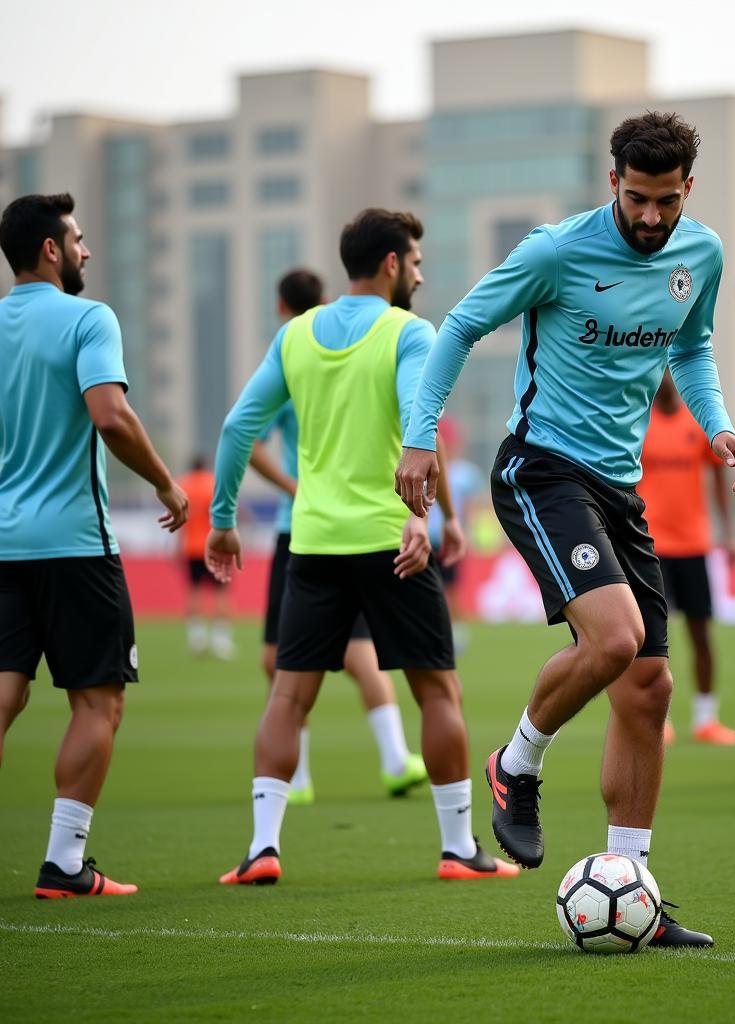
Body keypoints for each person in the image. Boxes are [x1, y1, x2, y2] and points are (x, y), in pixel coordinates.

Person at [397, 112, 735, 948]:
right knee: (617, 640)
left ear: (687, 189)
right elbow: (458, 327)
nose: (652, 217)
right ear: (611, 182)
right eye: (637, 199)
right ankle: (515, 763)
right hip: (542, 470)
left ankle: (633, 887)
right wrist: (421, 434)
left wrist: (719, 427)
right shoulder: (555, 251)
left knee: (650, 691)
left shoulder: (700, 254)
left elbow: (691, 352)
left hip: (618, 492)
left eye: (667, 201)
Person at [207, 208, 517, 883]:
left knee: (288, 698)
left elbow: (236, 427)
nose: (421, 273)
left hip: (312, 544)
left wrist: (223, 519)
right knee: (439, 691)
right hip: (388, 541)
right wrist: (422, 514)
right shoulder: (409, 331)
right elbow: (420, 420)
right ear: (390, 264)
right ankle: (459, 849)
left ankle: (263, 847)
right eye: (416, 260)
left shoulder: (294, 334)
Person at [0, 193, 188, 898]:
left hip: (3, 544)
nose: (85, 251)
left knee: (4, 697)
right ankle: (65, 863)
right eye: (76, 240)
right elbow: (110, 416)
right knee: (97, 704)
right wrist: (168, 485)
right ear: (50, 248)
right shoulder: (88, 317)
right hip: (74, 542)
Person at [248, 268, 427, 805]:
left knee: (283, 661)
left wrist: (294, 488)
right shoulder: (362, 345)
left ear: (281, 307)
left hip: (304, 531)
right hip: (371, 524)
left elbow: (247, 439)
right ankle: (394, 760)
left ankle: (296, 779)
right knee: (363, 653)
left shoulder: (293, 358)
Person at [638, 370, 735, 746]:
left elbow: (718, 479)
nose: (663, 377)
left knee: (701, 632)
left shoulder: (698, 422)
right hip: (649, 545)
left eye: (668, 368)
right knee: (654, 638)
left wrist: (728, 534)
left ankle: (706, 719)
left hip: (694, 544)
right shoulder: (638, 420)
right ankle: (658, 719)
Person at [427, 416, 484, 652]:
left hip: (449, 539)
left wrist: (465, 532)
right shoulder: (428, 467)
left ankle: (455, 633)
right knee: (430, 587)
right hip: (427, 537)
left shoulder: (463, 473)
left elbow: (470, 507)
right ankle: (433, 632)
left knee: (450, 587)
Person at [178, 455, 234, 659]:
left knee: (193, 591)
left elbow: (179, 520)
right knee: (221, 593)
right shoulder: (212, 484)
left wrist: (178, 547)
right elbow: (226, 512)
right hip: (215, 546)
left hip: (191, 547)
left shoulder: (183, 486)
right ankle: (221, 641)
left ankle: (197, 639)